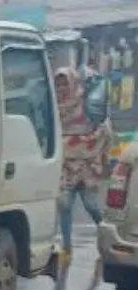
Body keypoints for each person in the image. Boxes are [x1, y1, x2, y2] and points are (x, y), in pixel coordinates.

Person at [54, 67, 113, 268]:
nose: (61, 88)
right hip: (65, 167)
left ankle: (107, 241)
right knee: (65, 206)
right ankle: (66, 248)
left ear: (73, 83)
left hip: (87, 166)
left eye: (65, 83)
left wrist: (86, 145)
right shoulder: (54, 107)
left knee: (92, 206)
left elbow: (103, 130)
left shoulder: (86, 104)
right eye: (58, 84)